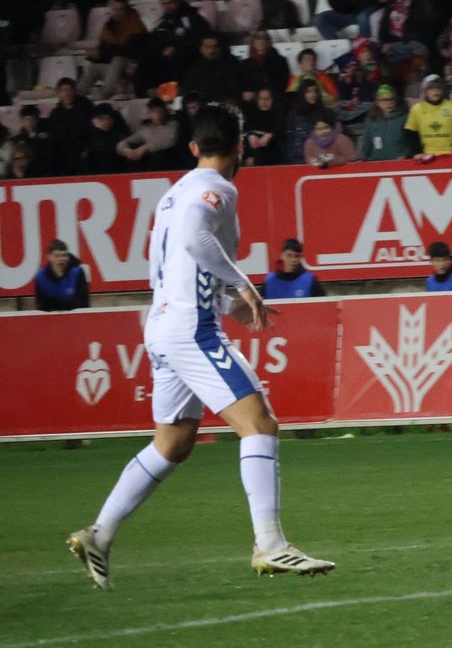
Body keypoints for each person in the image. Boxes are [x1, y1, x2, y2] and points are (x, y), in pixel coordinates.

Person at [66, 103, 336, 591]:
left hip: (165, 324)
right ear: (239, 148)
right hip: (190, 329)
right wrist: (244, 285)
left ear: (193, 147)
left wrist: (232, 305)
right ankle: (271, 545)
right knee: (259, 423)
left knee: (174, 441)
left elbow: (175, 265)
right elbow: (195, 240)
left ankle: (99, 534)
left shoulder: (174, 194)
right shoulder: (218, 189)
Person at [80, 0, 146, 99]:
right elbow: (105, 49)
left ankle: (104, 94)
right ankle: (78, 97)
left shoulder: (136, 25)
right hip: (112, 67)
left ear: (127, 9)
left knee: (118, 59)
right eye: (115, 10)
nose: (118, 13)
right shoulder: (109, 25)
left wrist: (102, 53)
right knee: (93, 68)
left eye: (121, 9)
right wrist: (94, 54)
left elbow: (128, 50)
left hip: (131, 67)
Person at [404, 74, 452, 157]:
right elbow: (410, 134)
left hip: (449, 155)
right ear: (425, 91)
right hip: (426, 156)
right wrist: (417, 152)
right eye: (431, 88)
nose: (436, 91)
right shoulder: (416, 109)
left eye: (439, 88)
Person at [47, 77, 96, 176]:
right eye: (63, 90)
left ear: (74, 91)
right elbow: (54, 138)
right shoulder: (55, 114)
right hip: (64, 158)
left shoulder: (86, 107)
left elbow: (92, 132)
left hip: (86, 155)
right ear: (58, 93)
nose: (66, 93)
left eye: (69, 89)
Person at [284, 77, 337, 165]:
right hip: (298, 161)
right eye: (308, 91)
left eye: (315, 91)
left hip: (322, 161)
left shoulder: (326, 113)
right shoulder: (294, 114)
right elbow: (290, 140)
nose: (312, 94)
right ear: (302, 93)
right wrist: (292, 160)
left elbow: (335, 135)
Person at [117, 98, 181, 168]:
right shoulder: (146, 129)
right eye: (154, 112)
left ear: (165, 112)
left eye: (160, 112)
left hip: (168, 163)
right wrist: (126, 150)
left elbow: (169, 140)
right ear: (149, 113)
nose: (158, 115)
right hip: (150, 166)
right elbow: (123, 143)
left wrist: (145, 148)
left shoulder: (173, 125)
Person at [180, 34, 241, 106]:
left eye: (215, 46)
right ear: (201, 48)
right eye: (207, 46)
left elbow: (234, 89)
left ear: (220, 48)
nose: (211, 50)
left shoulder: (231, 64)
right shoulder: (194, 67)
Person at [34, 239, 90, 311]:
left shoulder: (77, 272)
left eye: (64, 255)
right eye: (57, 256)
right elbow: (41, 306)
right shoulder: (40, 277)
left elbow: (84, 305)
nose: (62, 259)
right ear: (49, 257)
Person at [359, 84, 409, 160]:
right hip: (376, 164)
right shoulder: (370, 121)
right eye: (383, 100)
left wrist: (405, 155)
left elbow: (412, 142)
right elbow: (366, 143)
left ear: (395, 100)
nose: (388, 103)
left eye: (391, 99)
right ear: (377, 102)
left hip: (399, 163)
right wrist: (362, 158)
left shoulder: (404, 118)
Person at [84, 102, 131, 174]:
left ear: (113, 119)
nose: (106, 121)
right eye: (102, 119)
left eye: (108, 118)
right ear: (97, 120)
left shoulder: (121, 135)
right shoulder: (91, 138)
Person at [242, 88, 285, 166]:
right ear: (257, 100)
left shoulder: (278, 116)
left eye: (267, 99)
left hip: (274, 160)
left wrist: (270, 136)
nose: (264, 101)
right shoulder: (251, 117)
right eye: (261, 98)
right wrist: (248, 155)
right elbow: (244, 138)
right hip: (253, 162)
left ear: (272, 100)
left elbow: (281, 135)